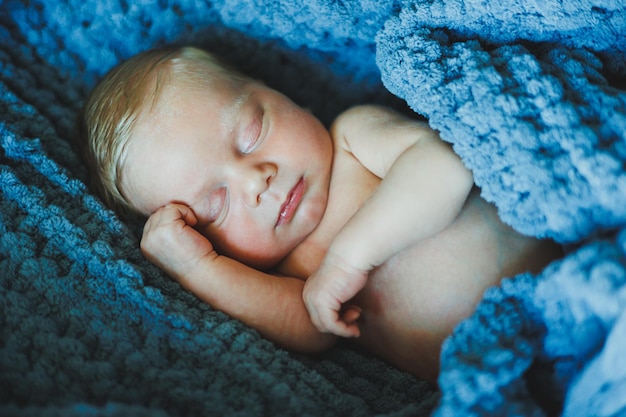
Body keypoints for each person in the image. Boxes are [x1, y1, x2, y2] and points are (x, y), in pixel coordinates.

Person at [78, 45, 562, 383]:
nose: (256, 180)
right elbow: (311, 332)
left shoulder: (352, 141)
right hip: (530, 372)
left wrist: (349, 259)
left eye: (250, 134)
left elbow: (444, 166)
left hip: (565, 268)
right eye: (215, 205)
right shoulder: (292, 277)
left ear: (278, 92)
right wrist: (197, 268)